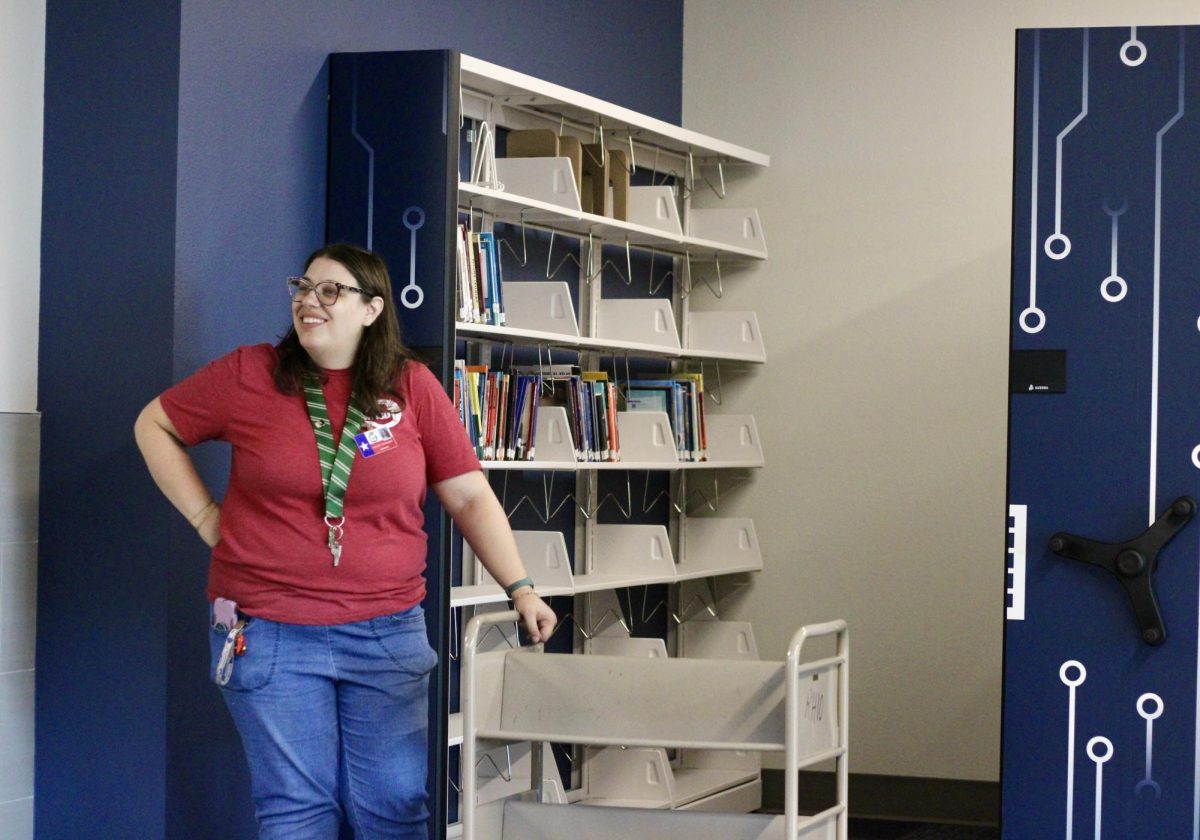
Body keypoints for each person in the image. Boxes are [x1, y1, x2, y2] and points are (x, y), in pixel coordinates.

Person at [134, 242, 556, 839]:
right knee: (296, 812)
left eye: (330, 290)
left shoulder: (411, 387)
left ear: (372, 309)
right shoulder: (251, 373)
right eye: (303, 287)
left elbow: (468, 496)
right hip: (269, 629)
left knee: (396, 806)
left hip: (386, 632)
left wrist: (521, 588)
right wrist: (207, 517)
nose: (310, 301)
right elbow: (153, 423)